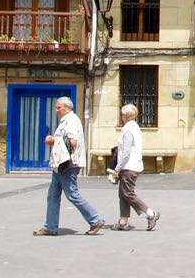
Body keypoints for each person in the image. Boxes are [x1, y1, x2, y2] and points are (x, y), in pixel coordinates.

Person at [34, 96, 105, 236]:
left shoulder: (70, 121)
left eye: (58, 107)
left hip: (67, 164)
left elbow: (72, 142)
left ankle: (95, 219)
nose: (56, 110)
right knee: (53, 195)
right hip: (60, 164)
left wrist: (53, 140)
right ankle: (50, 226)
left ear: (67, 107)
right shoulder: (67, 120)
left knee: (72, 194)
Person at [108, 103, 159, 232]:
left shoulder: (128, 129)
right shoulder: (133, 127)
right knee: (123, 194)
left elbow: (126, 153)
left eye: (122, 114)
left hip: (129, 166)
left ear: (125, 115)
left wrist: (116, 169)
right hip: (132, 165)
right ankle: (123, 221)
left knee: (127, 193)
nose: (121, 116)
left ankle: (151, 213)